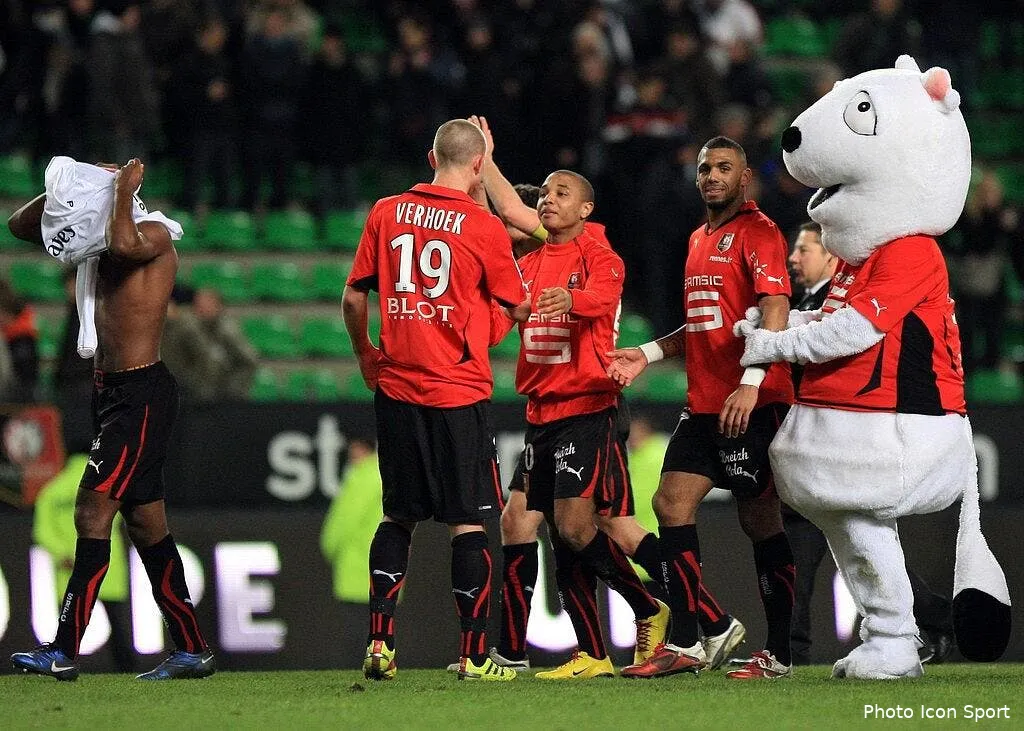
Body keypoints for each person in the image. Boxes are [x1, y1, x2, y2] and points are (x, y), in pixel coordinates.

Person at [474, 131, 744, 674]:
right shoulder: (529, 266)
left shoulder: (597, 252)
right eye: (544, 196)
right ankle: (587, 650)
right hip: (541, 414)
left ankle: (675, 615)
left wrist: (567, 299)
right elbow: (501, 316)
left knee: (590, 526)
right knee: (552, 524)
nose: (547, 203)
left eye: (560, 194)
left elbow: (601, 295)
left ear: (586, 207)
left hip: (588, 407)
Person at [8, 158, 215, 681]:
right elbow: (20, 226)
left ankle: (63, 649)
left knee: (90, 512)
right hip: (112, 393)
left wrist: (119, 187)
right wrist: (60, 187)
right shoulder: (99, 235)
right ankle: (192, 649)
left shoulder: (154, 234)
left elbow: (124, 244)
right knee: (146, 525)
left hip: (141, 392)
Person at [342, 119, 527, 682]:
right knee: (468, 524)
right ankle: (473, 656)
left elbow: (353, 297)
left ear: (431, 157)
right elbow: (516, 310)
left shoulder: (386, 211)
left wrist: (366, 355)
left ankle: (380, 644)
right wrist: (485, 325)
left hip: (396, 390)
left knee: (398, 516)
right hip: (458, 394)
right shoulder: (482, 226)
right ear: (478, 166)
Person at [607, 136, 795, 679]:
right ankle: (689, 642)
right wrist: (646, 353)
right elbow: (704, 323)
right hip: (705, 403)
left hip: (752, 402)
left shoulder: (759, 232)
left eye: (724, 168)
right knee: (670, 503)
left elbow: (775, 305)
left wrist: (753, 381)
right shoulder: (697, 238)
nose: (712, 175)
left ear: (744, 179)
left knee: (759, 520)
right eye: (705, 167)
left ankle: (779, 655)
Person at [783, 222, 953, 665]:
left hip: (845, 440)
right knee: (852, 546)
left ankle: (793, 650)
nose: (795, 258)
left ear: (831, 254)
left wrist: (774, 345)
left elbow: (854, 341)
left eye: (805, 248)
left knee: (835, 548)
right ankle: (925, 620)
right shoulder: (802, 304)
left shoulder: (853, 297)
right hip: (810, 439)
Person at [33, 453, 137, 673]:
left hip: (70, 567)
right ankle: (127, 669)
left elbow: (41, 530)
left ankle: (61, 663)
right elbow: (116, 518)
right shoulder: (104, 486)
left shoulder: (52, 490)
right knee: (118, 626)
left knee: (69, 623)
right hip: (107, 565)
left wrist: (63, 554)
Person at [320, 438, 383, 604]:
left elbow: (344, 522)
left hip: (358, 572)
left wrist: (329, 548)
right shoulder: (387, 474)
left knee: (361, 628)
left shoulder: (363, 477)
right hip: (386, 572)